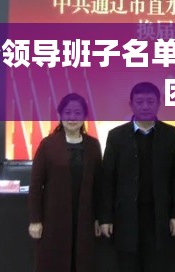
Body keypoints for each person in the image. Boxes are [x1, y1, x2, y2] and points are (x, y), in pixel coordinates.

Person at [99, 82, 175, 272]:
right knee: (128, 265)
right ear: (131, 104)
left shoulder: (170, 134)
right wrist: (106, 218)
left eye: (150, 102)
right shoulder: (116, 136)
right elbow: (108, 180)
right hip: (126, 217)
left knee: (157, 265)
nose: (145, 106)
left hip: (159, 216)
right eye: (140, 102)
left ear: (159, 104)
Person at [28, 93, 102, 272]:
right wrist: (35, 220)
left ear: (84, 116)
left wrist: (99, 218)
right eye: (67, 112)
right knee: (54, 262)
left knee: (81, 261)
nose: (72, 118)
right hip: (54, 217)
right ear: (60, 115)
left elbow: (99, 186)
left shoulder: (93, 145)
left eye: (77, 113)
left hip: (84, 217)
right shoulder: (48, 145)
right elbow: (36, 185)